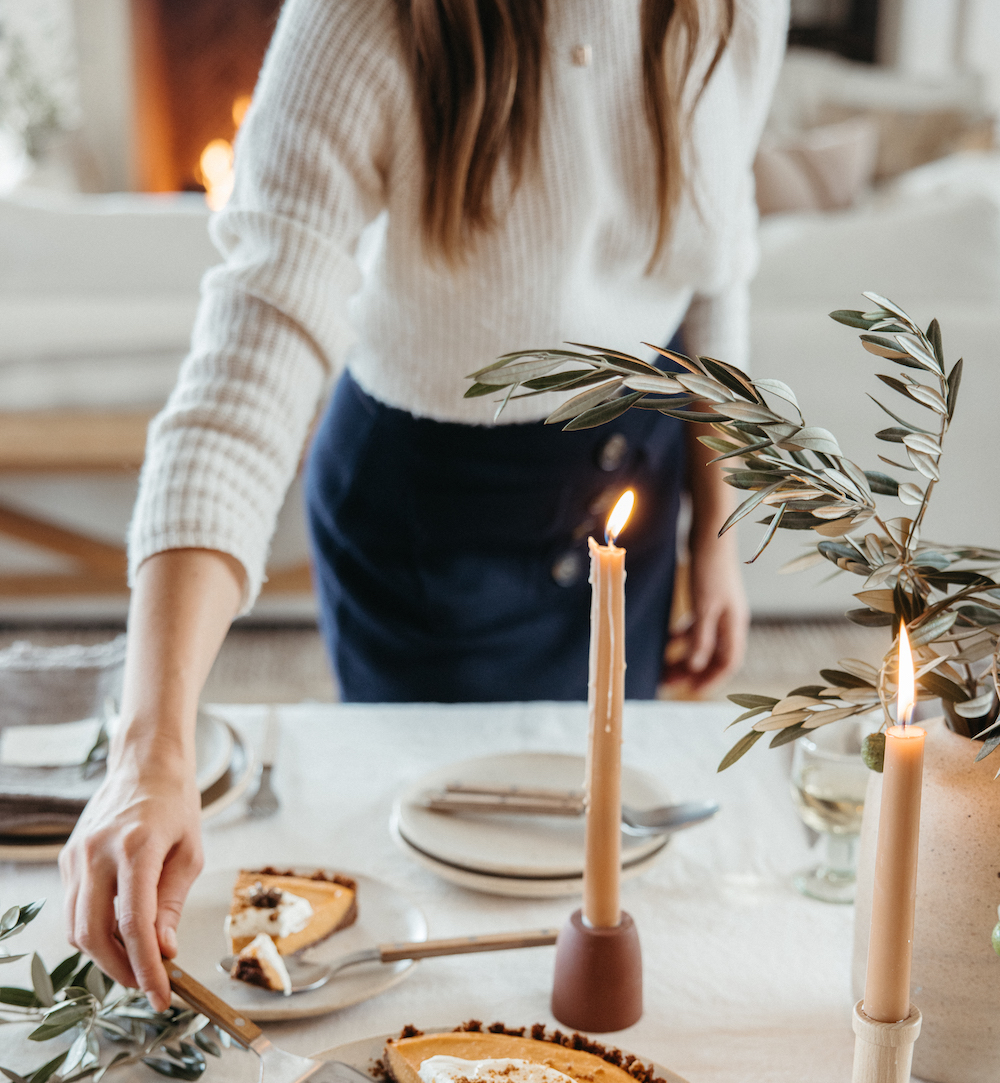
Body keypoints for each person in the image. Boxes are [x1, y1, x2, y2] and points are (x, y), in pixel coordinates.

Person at [60, 0, 788, 1008]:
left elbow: (720, 264)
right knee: (443, 877)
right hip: (428, 518)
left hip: (637, 470)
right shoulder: (365, 20)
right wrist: (151, 744)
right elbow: (248, 359)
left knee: (598, 836)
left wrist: (715, 532)